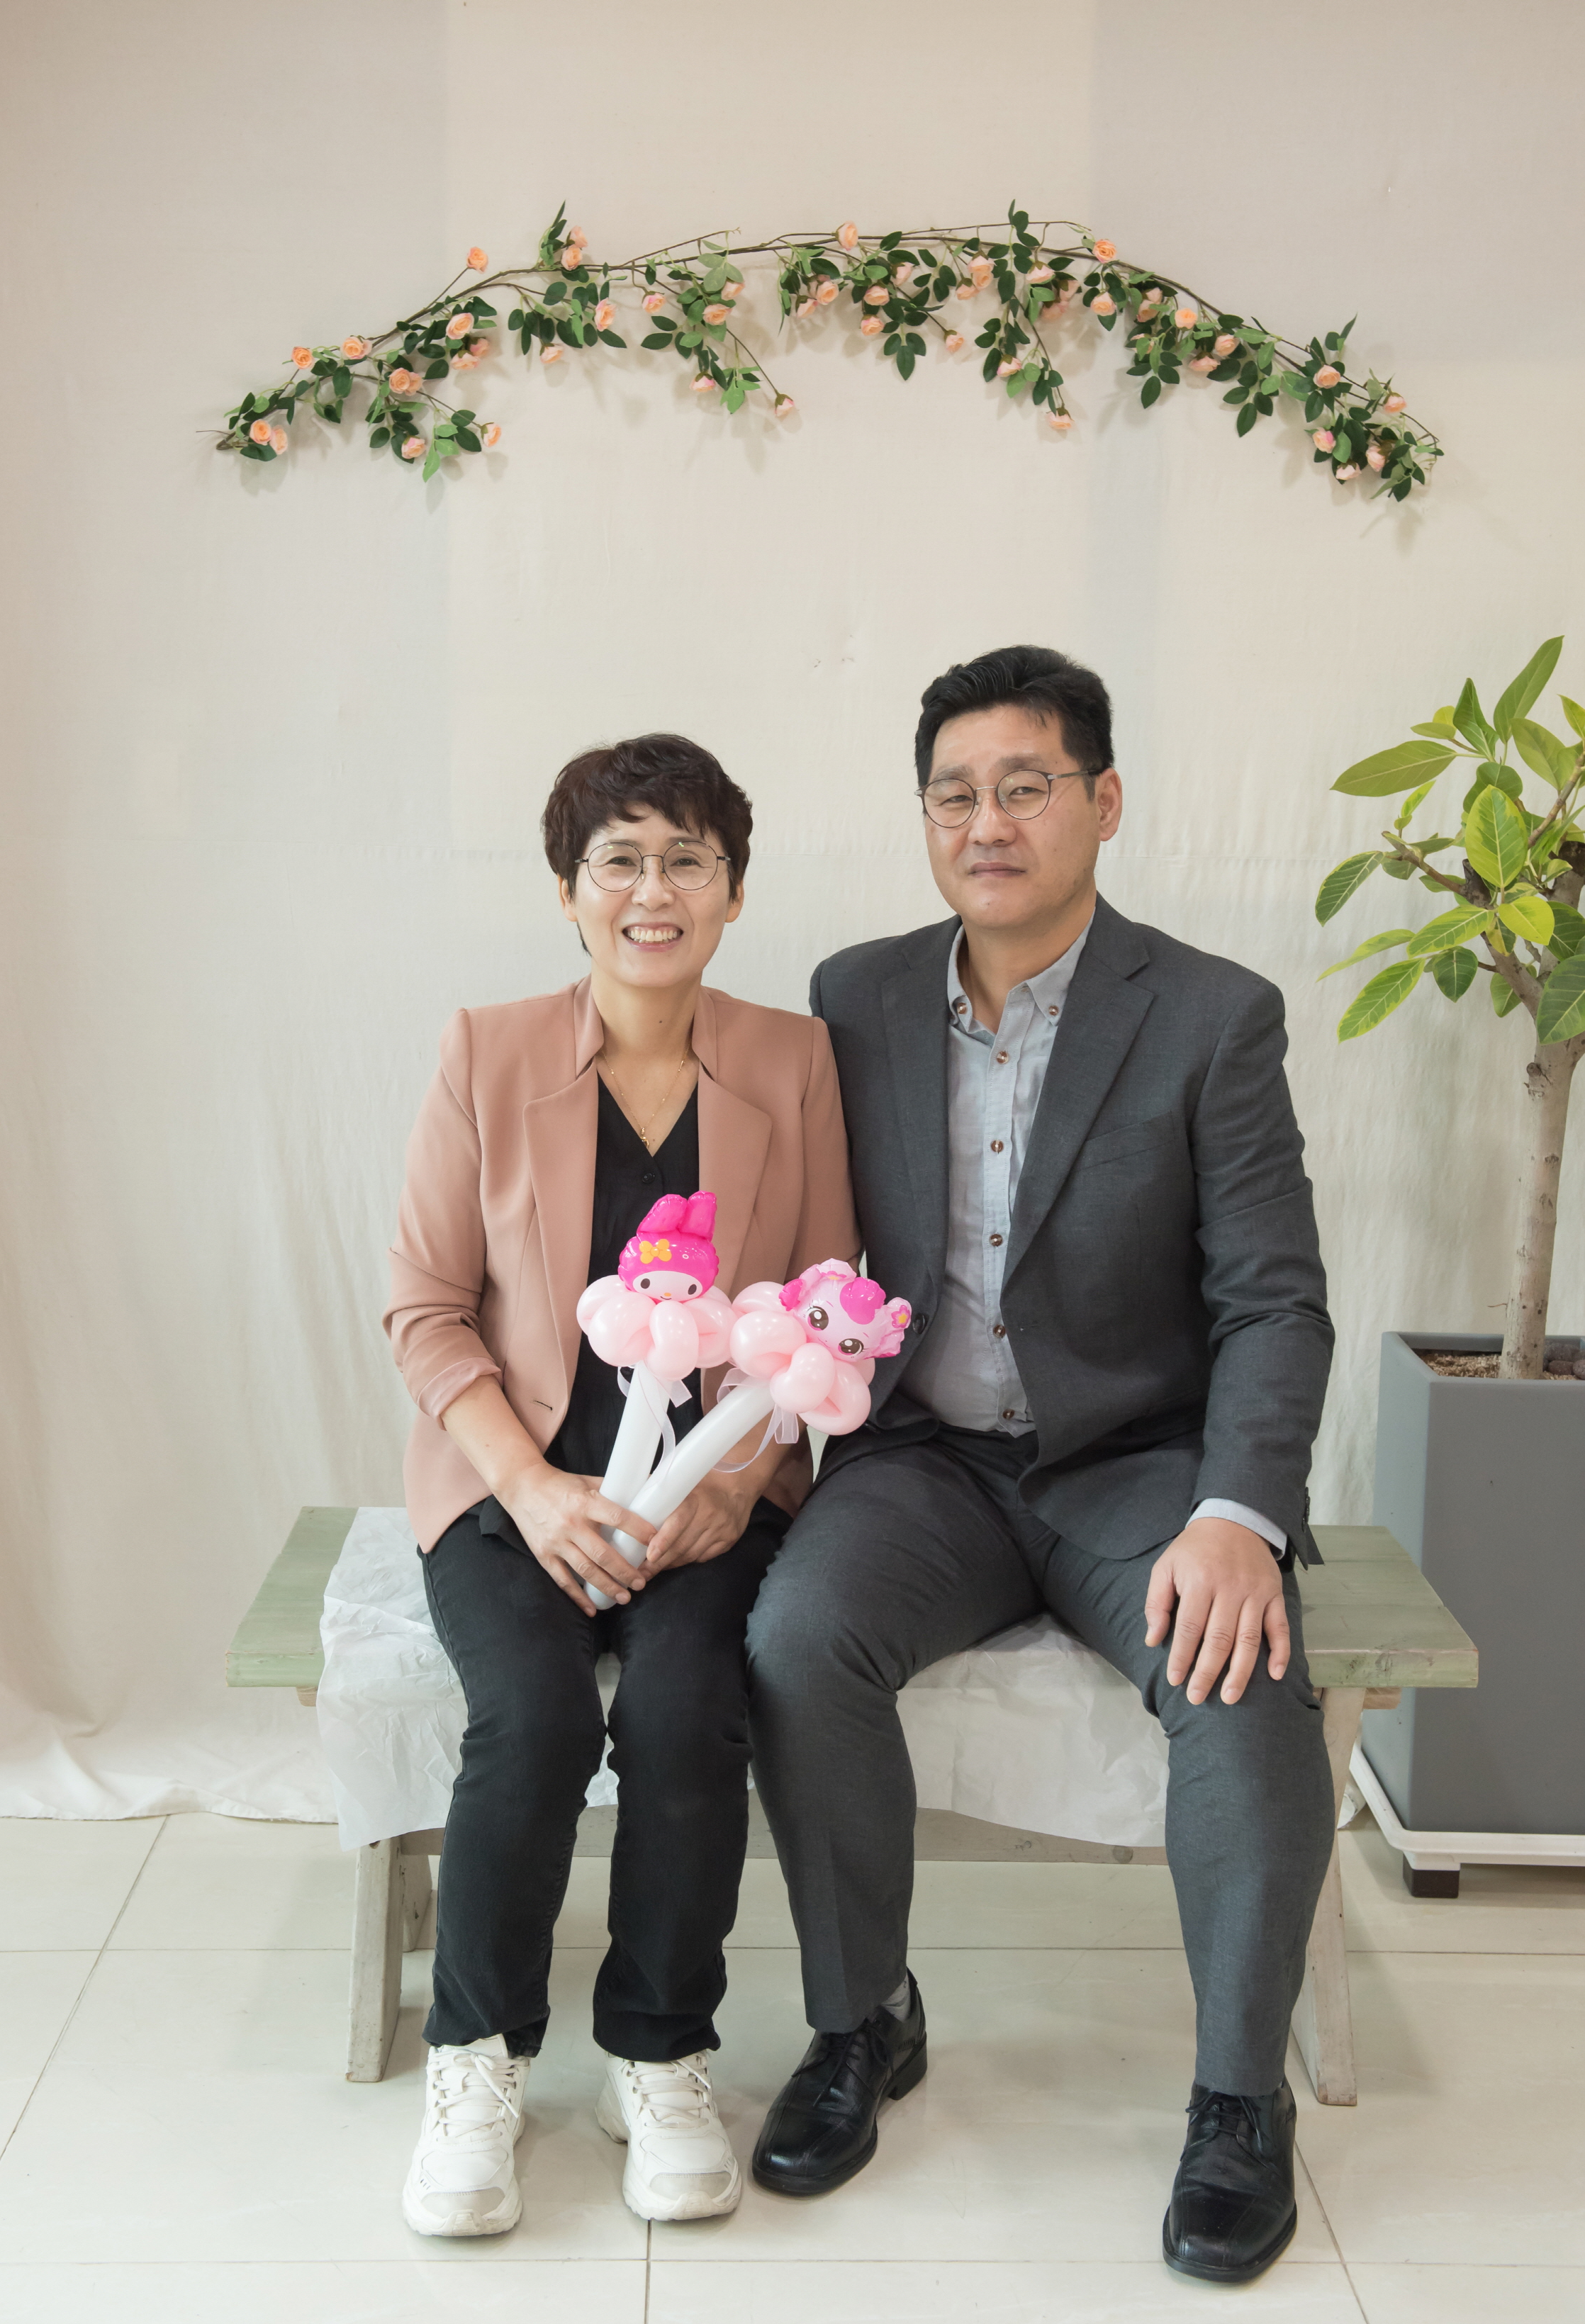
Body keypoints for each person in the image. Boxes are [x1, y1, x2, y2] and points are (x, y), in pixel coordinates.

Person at [744, 645, 1335, 2286]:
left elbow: (1274, 1299)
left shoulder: (1210, 1014)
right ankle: (863, 2016)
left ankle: (1239, 2098)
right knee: (796, 1639)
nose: (984, 822)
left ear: (1103, 800)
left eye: (1023, 786)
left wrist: (1237, 1514)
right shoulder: (854, 993)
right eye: (953, 793)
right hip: (923, 1461)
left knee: (1239, 1674)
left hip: (1136, 1467)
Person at [384, 732, 858, 2240]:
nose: (654, 891)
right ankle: (476, 2061)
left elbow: (826, 1307)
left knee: (683, 1708)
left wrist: (745, 1475)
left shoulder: (792, 1059)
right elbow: (424, 1308)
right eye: (620, 860)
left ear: (732, 891)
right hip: (513, 1486)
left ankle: (658, 2055)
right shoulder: (486, 1051)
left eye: (688, 861)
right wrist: (529, 1488)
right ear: (569, 889)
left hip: (704, 1495)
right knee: (529, 1716)